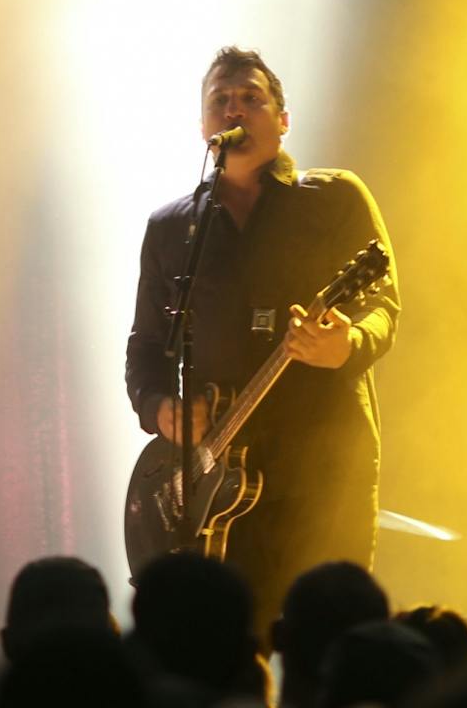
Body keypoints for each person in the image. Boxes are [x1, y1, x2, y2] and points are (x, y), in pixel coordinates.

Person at [124, 47, 399, 627]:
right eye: (220, 101)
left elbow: (382, 306)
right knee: (222, 648)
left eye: (252, 98)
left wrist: (344, 346)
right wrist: (160, 409)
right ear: (204, 127)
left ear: (282, 119)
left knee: (329, 643)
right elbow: (146, 346)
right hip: (213, 486)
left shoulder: (335, 197)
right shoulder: (173, 227)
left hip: (322, 469)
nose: (235, 109)